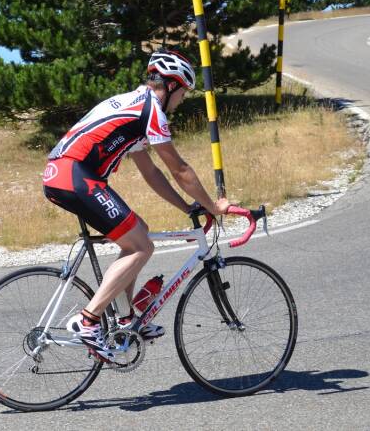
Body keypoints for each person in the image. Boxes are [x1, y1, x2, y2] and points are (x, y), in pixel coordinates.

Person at [42, 50, 231, 362]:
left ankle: (125, 319)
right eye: (183, 92)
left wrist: (187, 208)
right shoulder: (151, 111)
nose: (182, 100)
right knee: (141, 247)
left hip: (66, 174)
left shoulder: (136, 107)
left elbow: (151, 173)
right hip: (74, 175)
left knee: (137, 233)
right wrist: (213, 206)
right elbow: (179, 169)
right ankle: (87, 321)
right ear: (170, 86)